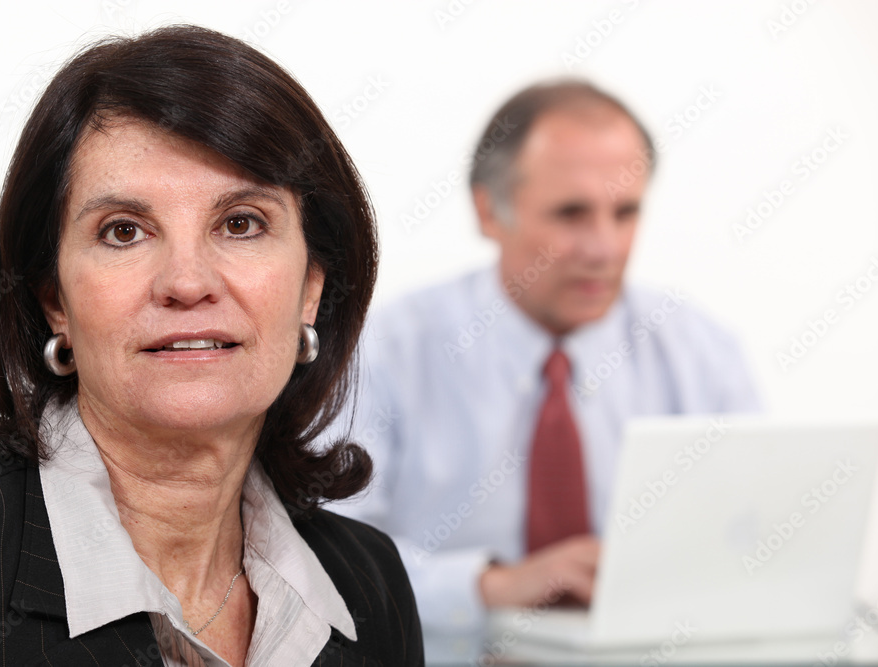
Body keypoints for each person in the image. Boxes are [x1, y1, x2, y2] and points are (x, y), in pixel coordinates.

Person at [0, 25, 423, 667]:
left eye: (241, 223)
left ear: (311, 289)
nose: (187, 283)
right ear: (53, 299)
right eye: (123, 232)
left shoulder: (369, 580)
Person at [325, 80, 759, 663]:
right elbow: (324, 554)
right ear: (488, 211)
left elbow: (756, 544)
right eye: (571, 214)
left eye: (625, 212)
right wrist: (489, 588)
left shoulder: (701, 352)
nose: (603, 248)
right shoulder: (385, 351)